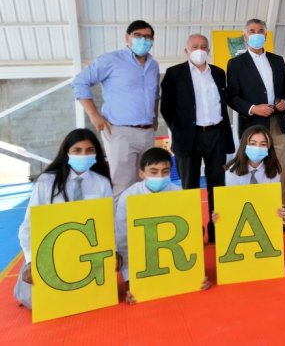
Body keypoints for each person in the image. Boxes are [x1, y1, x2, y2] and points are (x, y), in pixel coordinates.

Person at [15, 129, 113, 309]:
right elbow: (28, 227)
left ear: (96, 154)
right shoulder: (46, 182)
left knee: (91, 301)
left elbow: (107, 224)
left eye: (89, 150)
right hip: (52, 254)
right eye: (77, 150)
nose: (84, 155)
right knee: (37, 304)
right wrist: (31, 262)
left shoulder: (102, 183)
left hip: (86, 255)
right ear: (66, 152)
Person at [227, 18, 285, 234]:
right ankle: (257, 220)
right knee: (251, 171)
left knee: (283, 171)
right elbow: (232, 96)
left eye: (261, 31)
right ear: (245, 36)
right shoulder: (236, 64)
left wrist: (284, 102)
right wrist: (252, 108)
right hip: (252, 127)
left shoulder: (277, 61)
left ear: (266, 36)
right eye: (252, 31)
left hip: (276, 123)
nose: (257, 34)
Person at [72, 20, 160, 200]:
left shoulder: (154, 65)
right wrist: (94, 114)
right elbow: (80, 81)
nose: (143, 40)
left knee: (146, 183)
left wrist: (155, 116)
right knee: (122, 184)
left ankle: (138, 224)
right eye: (138, 36)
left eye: (148, 37)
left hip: (147, 132)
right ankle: (118, 227)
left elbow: (155, 93)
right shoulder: (110, 60)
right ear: (127, 38)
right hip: (120, 131)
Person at [160, 33, 235, 243]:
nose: (199, 49)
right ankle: (192, 231)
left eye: (203, 46)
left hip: (216, 135)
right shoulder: (174, 73)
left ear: (208, 49)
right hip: (188, 137)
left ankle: (216, 230)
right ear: (187, 50)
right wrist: (180, 128)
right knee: (189, 186)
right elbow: (166, 107)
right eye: (195, 46)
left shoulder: (219, 73)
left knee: (218, 185)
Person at [115, 147, 210, 303]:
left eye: (165, 171)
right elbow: (123, 241)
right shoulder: (129, 197)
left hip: (172, 257)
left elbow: (192, 236)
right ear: (141, 173)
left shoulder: (179, 193)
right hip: (143, 259)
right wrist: (130, 281)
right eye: (153, 171)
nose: (160, 176)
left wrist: (197, 273)